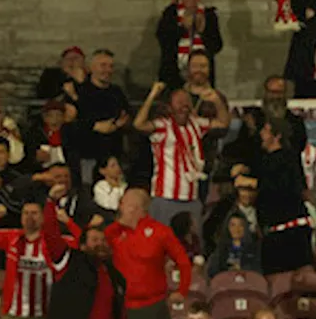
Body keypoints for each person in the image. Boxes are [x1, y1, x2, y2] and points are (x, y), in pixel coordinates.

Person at [42, 187, 126, 319]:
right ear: (81, 244)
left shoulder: (114, 274)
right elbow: (51, 233)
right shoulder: (69, 260)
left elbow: (117, 308)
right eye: (94, 240)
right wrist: (50, 202)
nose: (100, 244)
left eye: (102, 240)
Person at [105, 189, 190, 319]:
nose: (119, 207)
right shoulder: (113, 232)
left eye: (123, 203)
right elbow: (89, 246)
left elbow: (183, 261)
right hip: (121, 307)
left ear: (135, 208)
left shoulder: (160, 232)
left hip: (153, 307)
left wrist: (182, 290)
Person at [133, 81, 230, 226]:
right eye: (179, 102)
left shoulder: (196, 124)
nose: (184, 106)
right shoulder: (163, 126)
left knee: (192, 244)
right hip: (166, 197)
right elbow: (138, 124)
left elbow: (223, 123)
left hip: (192, 198)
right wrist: (152, 96)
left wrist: (216, 100)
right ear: (170, 107)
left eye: (187, 102)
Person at [253, 116, 314, 273]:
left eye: (265, 130)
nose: (261, 134)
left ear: (277, 135)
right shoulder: (265, 160)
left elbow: (281, 189)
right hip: (273, 233)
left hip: (291, 235)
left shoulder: (288, 159)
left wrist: (253, 183)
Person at [64, 49, 130, 188]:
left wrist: (116, 126)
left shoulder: (116, 92)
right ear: (91, 67)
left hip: (112, 158)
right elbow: (68, 123)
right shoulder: (78, 90)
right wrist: (93, 126)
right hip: (87, 156)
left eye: (111, 66)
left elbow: (126, 116)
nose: (108, 70)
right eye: (103, 65)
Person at [157, 0, 223, 88]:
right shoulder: (170, 13)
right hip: (175, 74)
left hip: (202, 74)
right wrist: (182, 29)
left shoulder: (209, 15)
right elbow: (164, 41)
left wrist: (203, 30)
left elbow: (216, 46)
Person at [206, 210, 262, 277]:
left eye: (240, 225)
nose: (236, 229)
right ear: (228, 227)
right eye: (233, 225)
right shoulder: (221, 248)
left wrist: (241, 269)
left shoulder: (254, 248)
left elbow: (257, 271)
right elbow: (212, 271)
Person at [91, 154, 127, 223]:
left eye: (118, 165)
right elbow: (113, 206)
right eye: (113, 166)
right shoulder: (100, 187)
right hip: (107, 220)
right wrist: (116, 187)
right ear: (102, 171)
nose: (118, 168)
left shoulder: (124, 185)